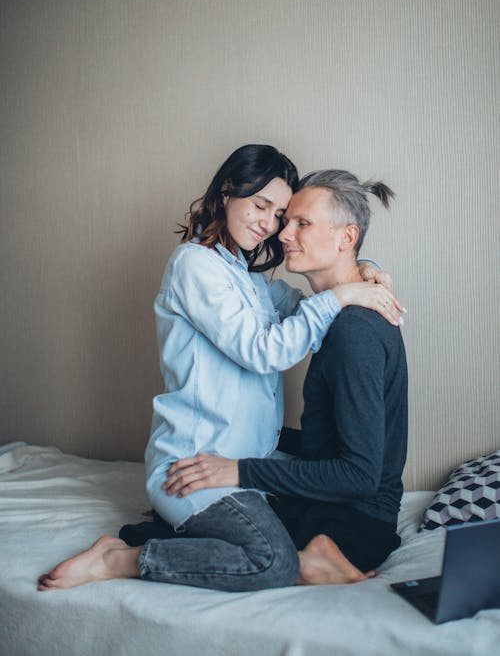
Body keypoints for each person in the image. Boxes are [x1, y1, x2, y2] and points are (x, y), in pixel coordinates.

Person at [37, 148, 403, 593]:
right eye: (261, 206)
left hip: (240, 457)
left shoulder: (247, 281)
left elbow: (309, 310)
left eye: (284, 215)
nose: (273, 227)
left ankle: (175, 535)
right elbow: (263, 349)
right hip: (197, 459)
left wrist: (365, 271)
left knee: (302, 534)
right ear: (227, 193)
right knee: (273, 562)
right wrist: (345, 295)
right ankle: (122, 558)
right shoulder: (195, 265)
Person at [164, 169, 408, 576]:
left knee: (251, 544)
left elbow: (359, 474)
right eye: (284, 220)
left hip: (353, 522)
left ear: (345, 238)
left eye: (301, 223)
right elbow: (331, 438)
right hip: (339, 506)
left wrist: (240, 467)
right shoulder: (338, 314)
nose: (282, 233)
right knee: (198, 504)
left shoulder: (354, 331)